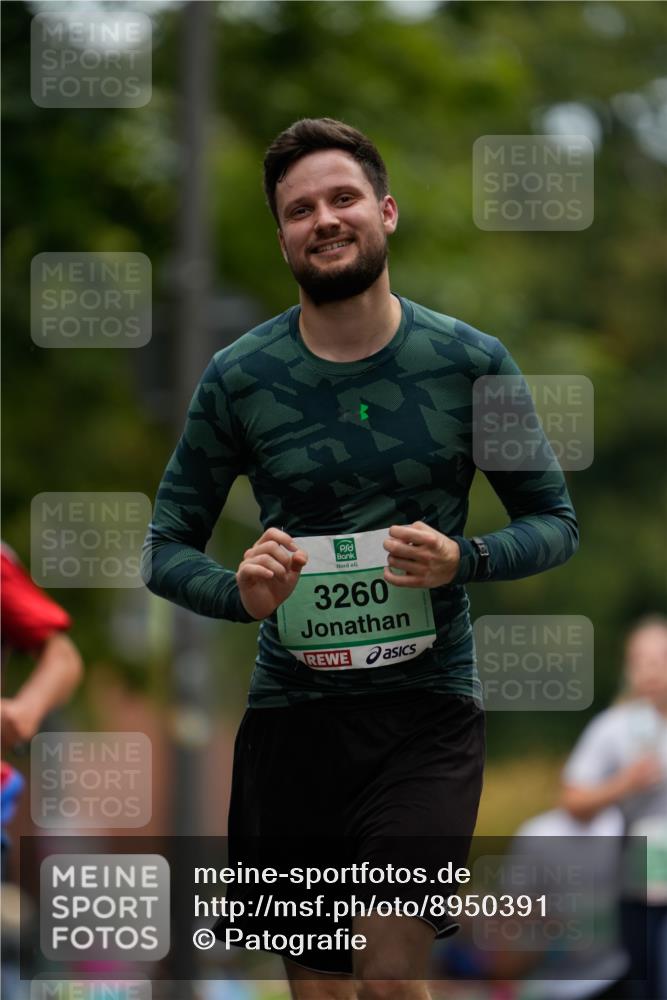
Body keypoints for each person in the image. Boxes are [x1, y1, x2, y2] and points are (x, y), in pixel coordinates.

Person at [142, 118, 579, 1000]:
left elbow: (554, 522)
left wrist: (466, 558)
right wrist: (242, 593)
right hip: (294, 722)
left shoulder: (468, 362)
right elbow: (163, 549)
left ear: (384, 211)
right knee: (323, 991)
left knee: (386, 976)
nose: (324, 219)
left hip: (425, 713)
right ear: (282, 239)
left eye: (342, 198)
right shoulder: (240, 377)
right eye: (300, 209)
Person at [560, 617, 667, 1000]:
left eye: (659, 659)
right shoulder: (614, 728)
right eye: (640, 661)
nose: (650, 671)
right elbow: (573, 800)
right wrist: (625, 783)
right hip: (639, 883)